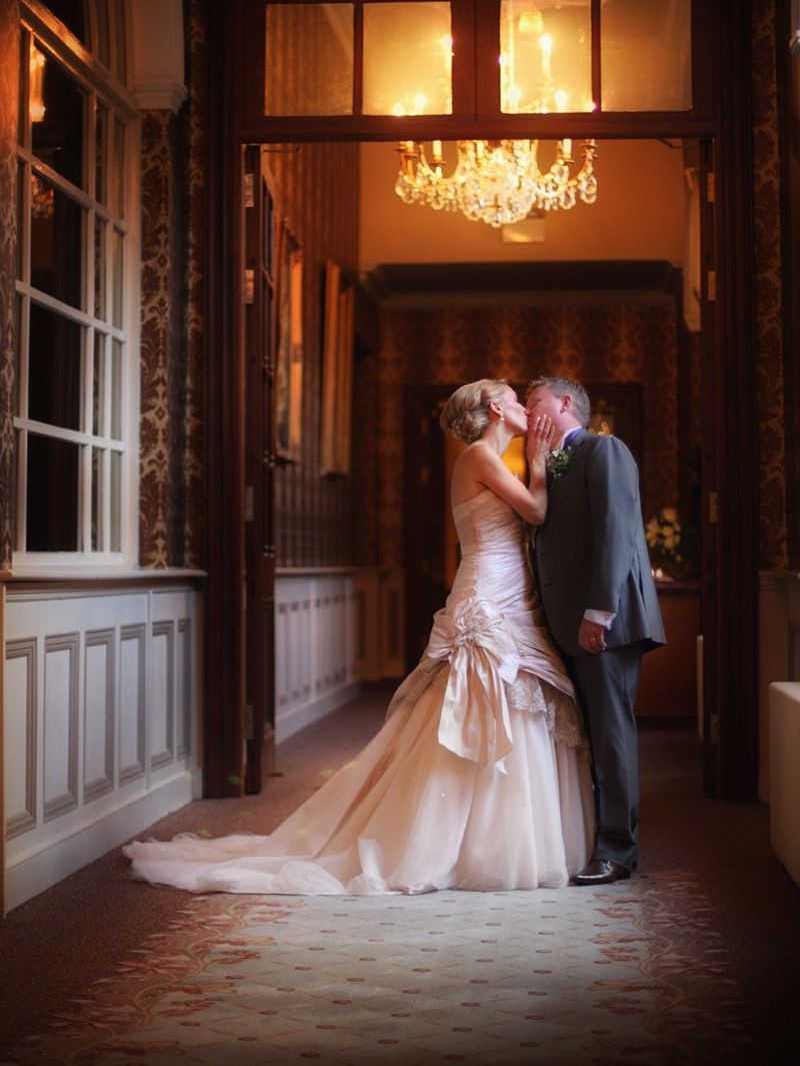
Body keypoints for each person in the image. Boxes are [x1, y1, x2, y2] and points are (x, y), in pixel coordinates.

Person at [125, 378, 593, 895]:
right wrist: (543, 458)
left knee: (514, 703)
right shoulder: (481, 458)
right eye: (513, 396)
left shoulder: (494, 461)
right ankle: (446, 843)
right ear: (495, 409)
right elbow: (536, 511)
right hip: (487, 597)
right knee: (475, 703)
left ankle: (500, 841)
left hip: (509, 593)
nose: (525, 406)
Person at [526, 376, 666, 886]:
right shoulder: (546, 462)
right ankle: (592, 840)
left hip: (605, 624)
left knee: (610, 735)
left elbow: (617, 532)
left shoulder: (604, 449)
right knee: (585, 737)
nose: (527, 410)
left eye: (534, 400)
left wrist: (598, 612)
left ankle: (617, 852)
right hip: (564, 624)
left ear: (565, 404)